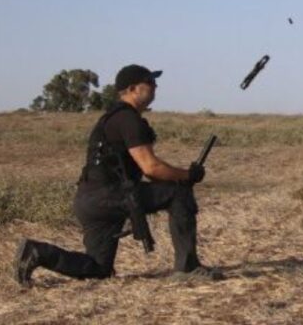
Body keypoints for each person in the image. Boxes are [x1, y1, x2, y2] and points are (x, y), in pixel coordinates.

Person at [14, 64, 222, 286]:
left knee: (99, 268)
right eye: (149, 82)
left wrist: (181, 175)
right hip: (111, 195)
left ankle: (37, 252)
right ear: (132, 89)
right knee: (179, 193)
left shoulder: (114, 117)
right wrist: (187, 176)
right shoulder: (128, 119)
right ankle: (188, 267)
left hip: (89, 200)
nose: (155, 87)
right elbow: (150, 167)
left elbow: (152, 174)